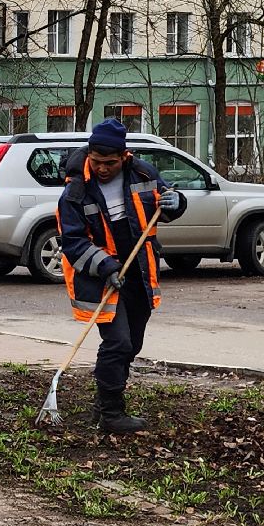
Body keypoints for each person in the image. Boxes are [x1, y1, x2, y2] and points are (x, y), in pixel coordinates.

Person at [57, 119, 186, 433]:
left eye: (110, 163)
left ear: (123, 156)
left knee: (132, 343)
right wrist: (106, 267)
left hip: (138, 271)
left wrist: (177, 202)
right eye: (96, 162)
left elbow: (164, 204)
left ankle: (102, 404)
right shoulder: (75, 191)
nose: (102, 169)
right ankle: (112, 415)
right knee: (117, 342)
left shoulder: (143, 174)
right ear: (89, 155)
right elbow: (73, 242)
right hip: (99, 276)